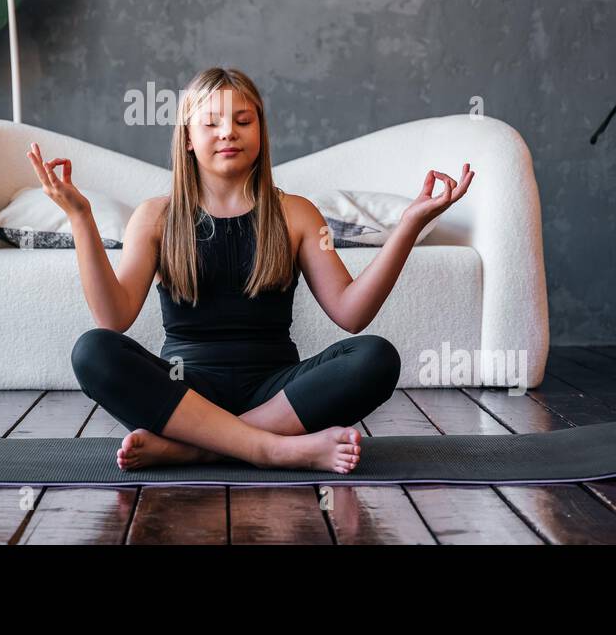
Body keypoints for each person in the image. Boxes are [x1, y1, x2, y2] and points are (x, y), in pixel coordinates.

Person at [26, 66, 474, 474]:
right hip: (187, 394)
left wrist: (410, 225)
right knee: (92, 350)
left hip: (277, 393)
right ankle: (273, 450)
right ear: (187, 137)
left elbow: (352, 313)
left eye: (243, 121)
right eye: (212, 123)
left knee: (376, 357)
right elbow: (113, 319)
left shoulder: (297, 214)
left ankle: (195, 449)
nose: (229, 133)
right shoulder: (155, 217)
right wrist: (80, 217)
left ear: (260, 131)